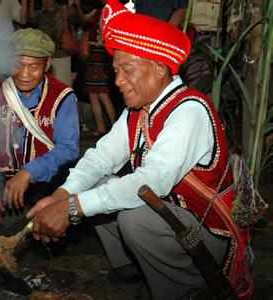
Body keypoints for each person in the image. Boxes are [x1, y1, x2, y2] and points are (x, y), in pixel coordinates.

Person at [26, 0, 252, 299]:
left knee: (135, 217)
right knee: (101, 184)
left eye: (127, 70)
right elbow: (102, 156)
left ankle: (183, 288)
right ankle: (135, 268)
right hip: (176, 218)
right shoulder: (140, 110)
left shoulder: (190, 110)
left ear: (159, 69)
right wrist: (62, 196)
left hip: (209, 233)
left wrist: (72, 208)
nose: (117, 81)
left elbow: (153, 183)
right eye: (116, 71)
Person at [0, 28, 80, 229]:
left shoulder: (63, 97)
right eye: (18, 65)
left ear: (47, 64)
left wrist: (28, 172)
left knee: (65, 210)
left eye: (34, 66)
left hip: (43, 180)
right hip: (2, 177)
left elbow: (69, 148)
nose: (24, 74)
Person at [76, 0, 116, 137]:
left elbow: (84, 22)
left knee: (98, 94)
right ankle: (106, 127)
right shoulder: (113, 11)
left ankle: (107, 127)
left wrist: (78, 6)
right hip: (104, 54)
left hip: (97, 54)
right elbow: (84, 21)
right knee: (99, 94)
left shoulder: (103, 11)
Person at [28, 0, 76, 85]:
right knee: (45, 85)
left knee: (62, 84)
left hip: (62, 53)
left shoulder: (64, 10)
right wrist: (31, 6)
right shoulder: (40, 14)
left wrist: (72, 7)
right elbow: (31, 21)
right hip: (45, 54)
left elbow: (75, 20)